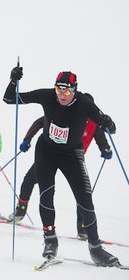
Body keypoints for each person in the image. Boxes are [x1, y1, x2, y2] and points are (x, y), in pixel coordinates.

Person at [3, 68, 119, 266]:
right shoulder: (47, 96)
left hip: (72, 155)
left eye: (67, 91)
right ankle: (50, 240)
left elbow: (110, 128)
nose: (62, 95)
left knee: (84, 199)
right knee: (46, 194)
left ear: (75, 89)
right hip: (46, 151)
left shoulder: (84, 103)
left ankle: (95, 248)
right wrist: (13, 80)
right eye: (59, 89)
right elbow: (9, 99)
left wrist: (108, 122)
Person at [8, 100, 113, 241]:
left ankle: (82, 228)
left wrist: (105, 149)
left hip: (73, 160)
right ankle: (20, 210)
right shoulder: (66, 114)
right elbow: (39, 122)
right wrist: (27, 139)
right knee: (30, 179)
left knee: (82, 194)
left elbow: (102, 140)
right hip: (51, 156)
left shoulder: (94, 125)